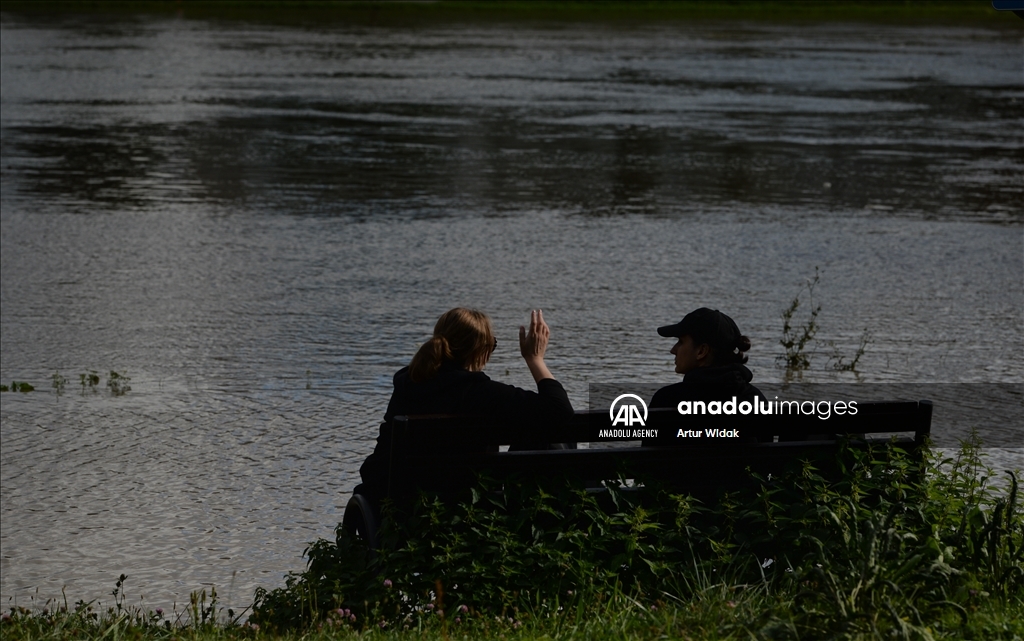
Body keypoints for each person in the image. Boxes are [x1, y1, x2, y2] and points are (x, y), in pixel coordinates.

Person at [354, 307, 574, 503]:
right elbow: (560, 412)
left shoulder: (407, 384)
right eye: (492, 345)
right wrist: (535, 360)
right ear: (480, 350)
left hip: (392, 506)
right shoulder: (480, 392)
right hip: (467, 508)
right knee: (545, 435)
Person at [648, 308, 763, 430]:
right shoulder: (756, 400)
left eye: (680, 342)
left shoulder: (667, 399)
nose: (673, 350)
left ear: (701, 351)